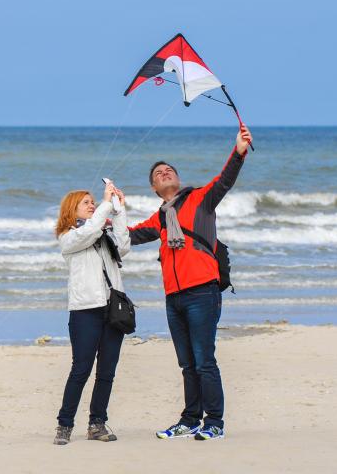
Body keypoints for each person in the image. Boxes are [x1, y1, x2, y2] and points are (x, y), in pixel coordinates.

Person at [128, 125, 253, 441]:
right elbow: (127, 235)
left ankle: (215, 422)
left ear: (176, 179)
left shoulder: (201, 199)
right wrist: (101, 217)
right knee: (187, 363)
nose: (165, 172)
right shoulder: (159, 219)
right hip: (174, 297)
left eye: (169, 169)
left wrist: (238, 150)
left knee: (204, 360)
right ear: (155, 188)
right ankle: (190, 419)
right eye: (158, 173)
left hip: (202, 292)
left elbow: (225, 180)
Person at [53, 181, 131, 445]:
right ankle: (64, 425)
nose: (93, 204)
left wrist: (118, 211)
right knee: (81, 369)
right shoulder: (68, 237)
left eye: (93, 202)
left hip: (113, 309)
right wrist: (106, 205)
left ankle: (97, 424)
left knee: (107, 370)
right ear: (71, 209)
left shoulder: (101, 232)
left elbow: (123, 246)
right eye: (86, 202)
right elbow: (89, 232)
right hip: (85, 311)